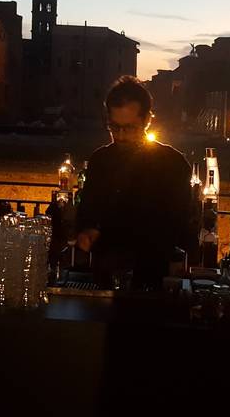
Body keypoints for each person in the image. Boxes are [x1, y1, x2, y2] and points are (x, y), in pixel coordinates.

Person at [76, 76, 194, 286]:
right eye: (114, 127)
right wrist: (87, 230)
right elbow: (88, 211)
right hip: (105, 275)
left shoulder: (173, 164)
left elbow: (182, 226)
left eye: (129, 128)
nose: (120, 135)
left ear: (147, 120)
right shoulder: (99, 160)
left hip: (156, 277)